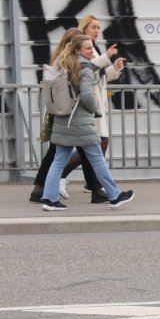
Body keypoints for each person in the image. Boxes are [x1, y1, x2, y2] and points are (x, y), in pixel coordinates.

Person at [40, 35, 136, 211]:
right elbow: (86, 95)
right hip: (81, 121)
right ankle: (115, 196)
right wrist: (95, 109)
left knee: (58, 160)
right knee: (97, 158)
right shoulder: (84, 68)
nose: (92, 51)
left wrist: (107, 60)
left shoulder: (64, 64)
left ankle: (49, 198)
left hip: (63, 119)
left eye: (92, 47)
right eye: (88, 48)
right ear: (78, 50)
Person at [29, 29, 99, 203]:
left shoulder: (61, 59)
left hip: (62, 112)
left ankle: (42, 189)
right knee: (62, 154)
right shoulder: (69, 61)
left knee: (63, 153)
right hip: (70, 114)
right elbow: (80, 84)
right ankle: (43, 190)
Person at [77, 13, 125, 202]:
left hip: (96, 102)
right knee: (98, 143)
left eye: (98, 27)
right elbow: (87, 69)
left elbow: (100, 76)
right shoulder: (82, 48)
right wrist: (106, 57)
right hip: (89, 103)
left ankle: (95, 186)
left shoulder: (94, 48)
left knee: (92, 146)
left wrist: (115, 68)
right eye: (93, 27)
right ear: (84, 28)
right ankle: (96, 186)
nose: (97, 30)